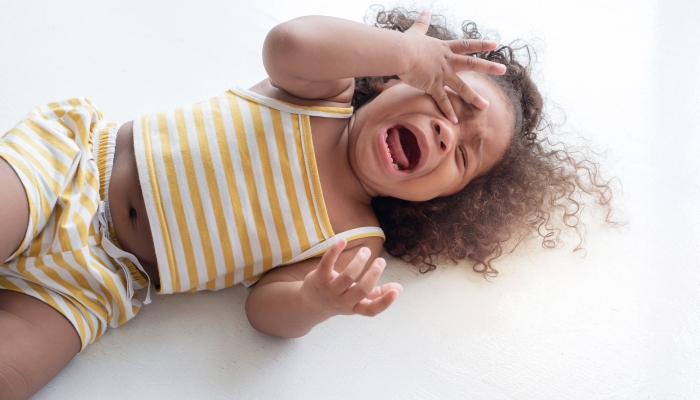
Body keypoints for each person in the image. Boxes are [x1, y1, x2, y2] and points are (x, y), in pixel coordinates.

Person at [0, 8, 612, 399]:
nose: (451, 131)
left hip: (104, 280)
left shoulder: (355, 239)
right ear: (393, 78)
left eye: (464, 157)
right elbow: (289, 43)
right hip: (74, 170)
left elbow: (265, 312)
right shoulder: (320, 94)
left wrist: (315, 301)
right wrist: (401, 49)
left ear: (443, 202)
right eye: (449, 100)